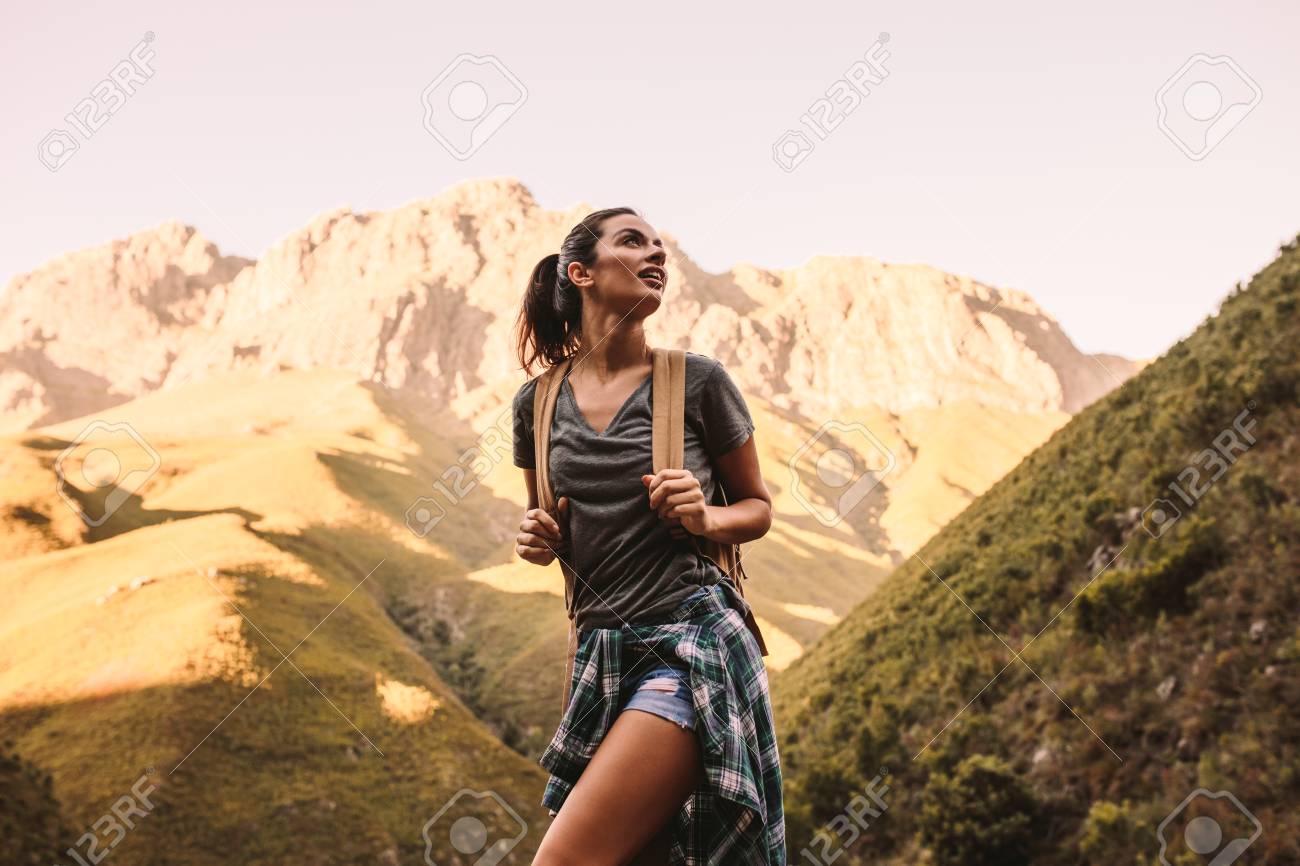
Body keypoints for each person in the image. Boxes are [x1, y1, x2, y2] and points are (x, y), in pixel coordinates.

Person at [510, 206, 786, 865]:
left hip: (692, 647)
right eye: (633, 242)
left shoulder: (698, 382)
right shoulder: (536, 404)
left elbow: (757, 507)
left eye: (660, 245)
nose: (656, 253)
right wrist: (536, 537)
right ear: (580, 272)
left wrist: (706, 518)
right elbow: (547, 527)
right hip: (598, 658)